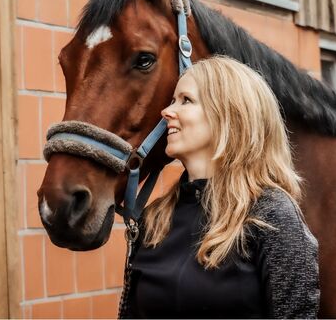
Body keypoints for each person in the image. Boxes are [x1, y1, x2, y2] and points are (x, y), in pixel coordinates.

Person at [120, 56, 320, 319]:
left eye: (186, 100)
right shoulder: (154, 220)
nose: (167, 112)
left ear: (228, 115)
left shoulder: (271, 215)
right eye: (172, 101)